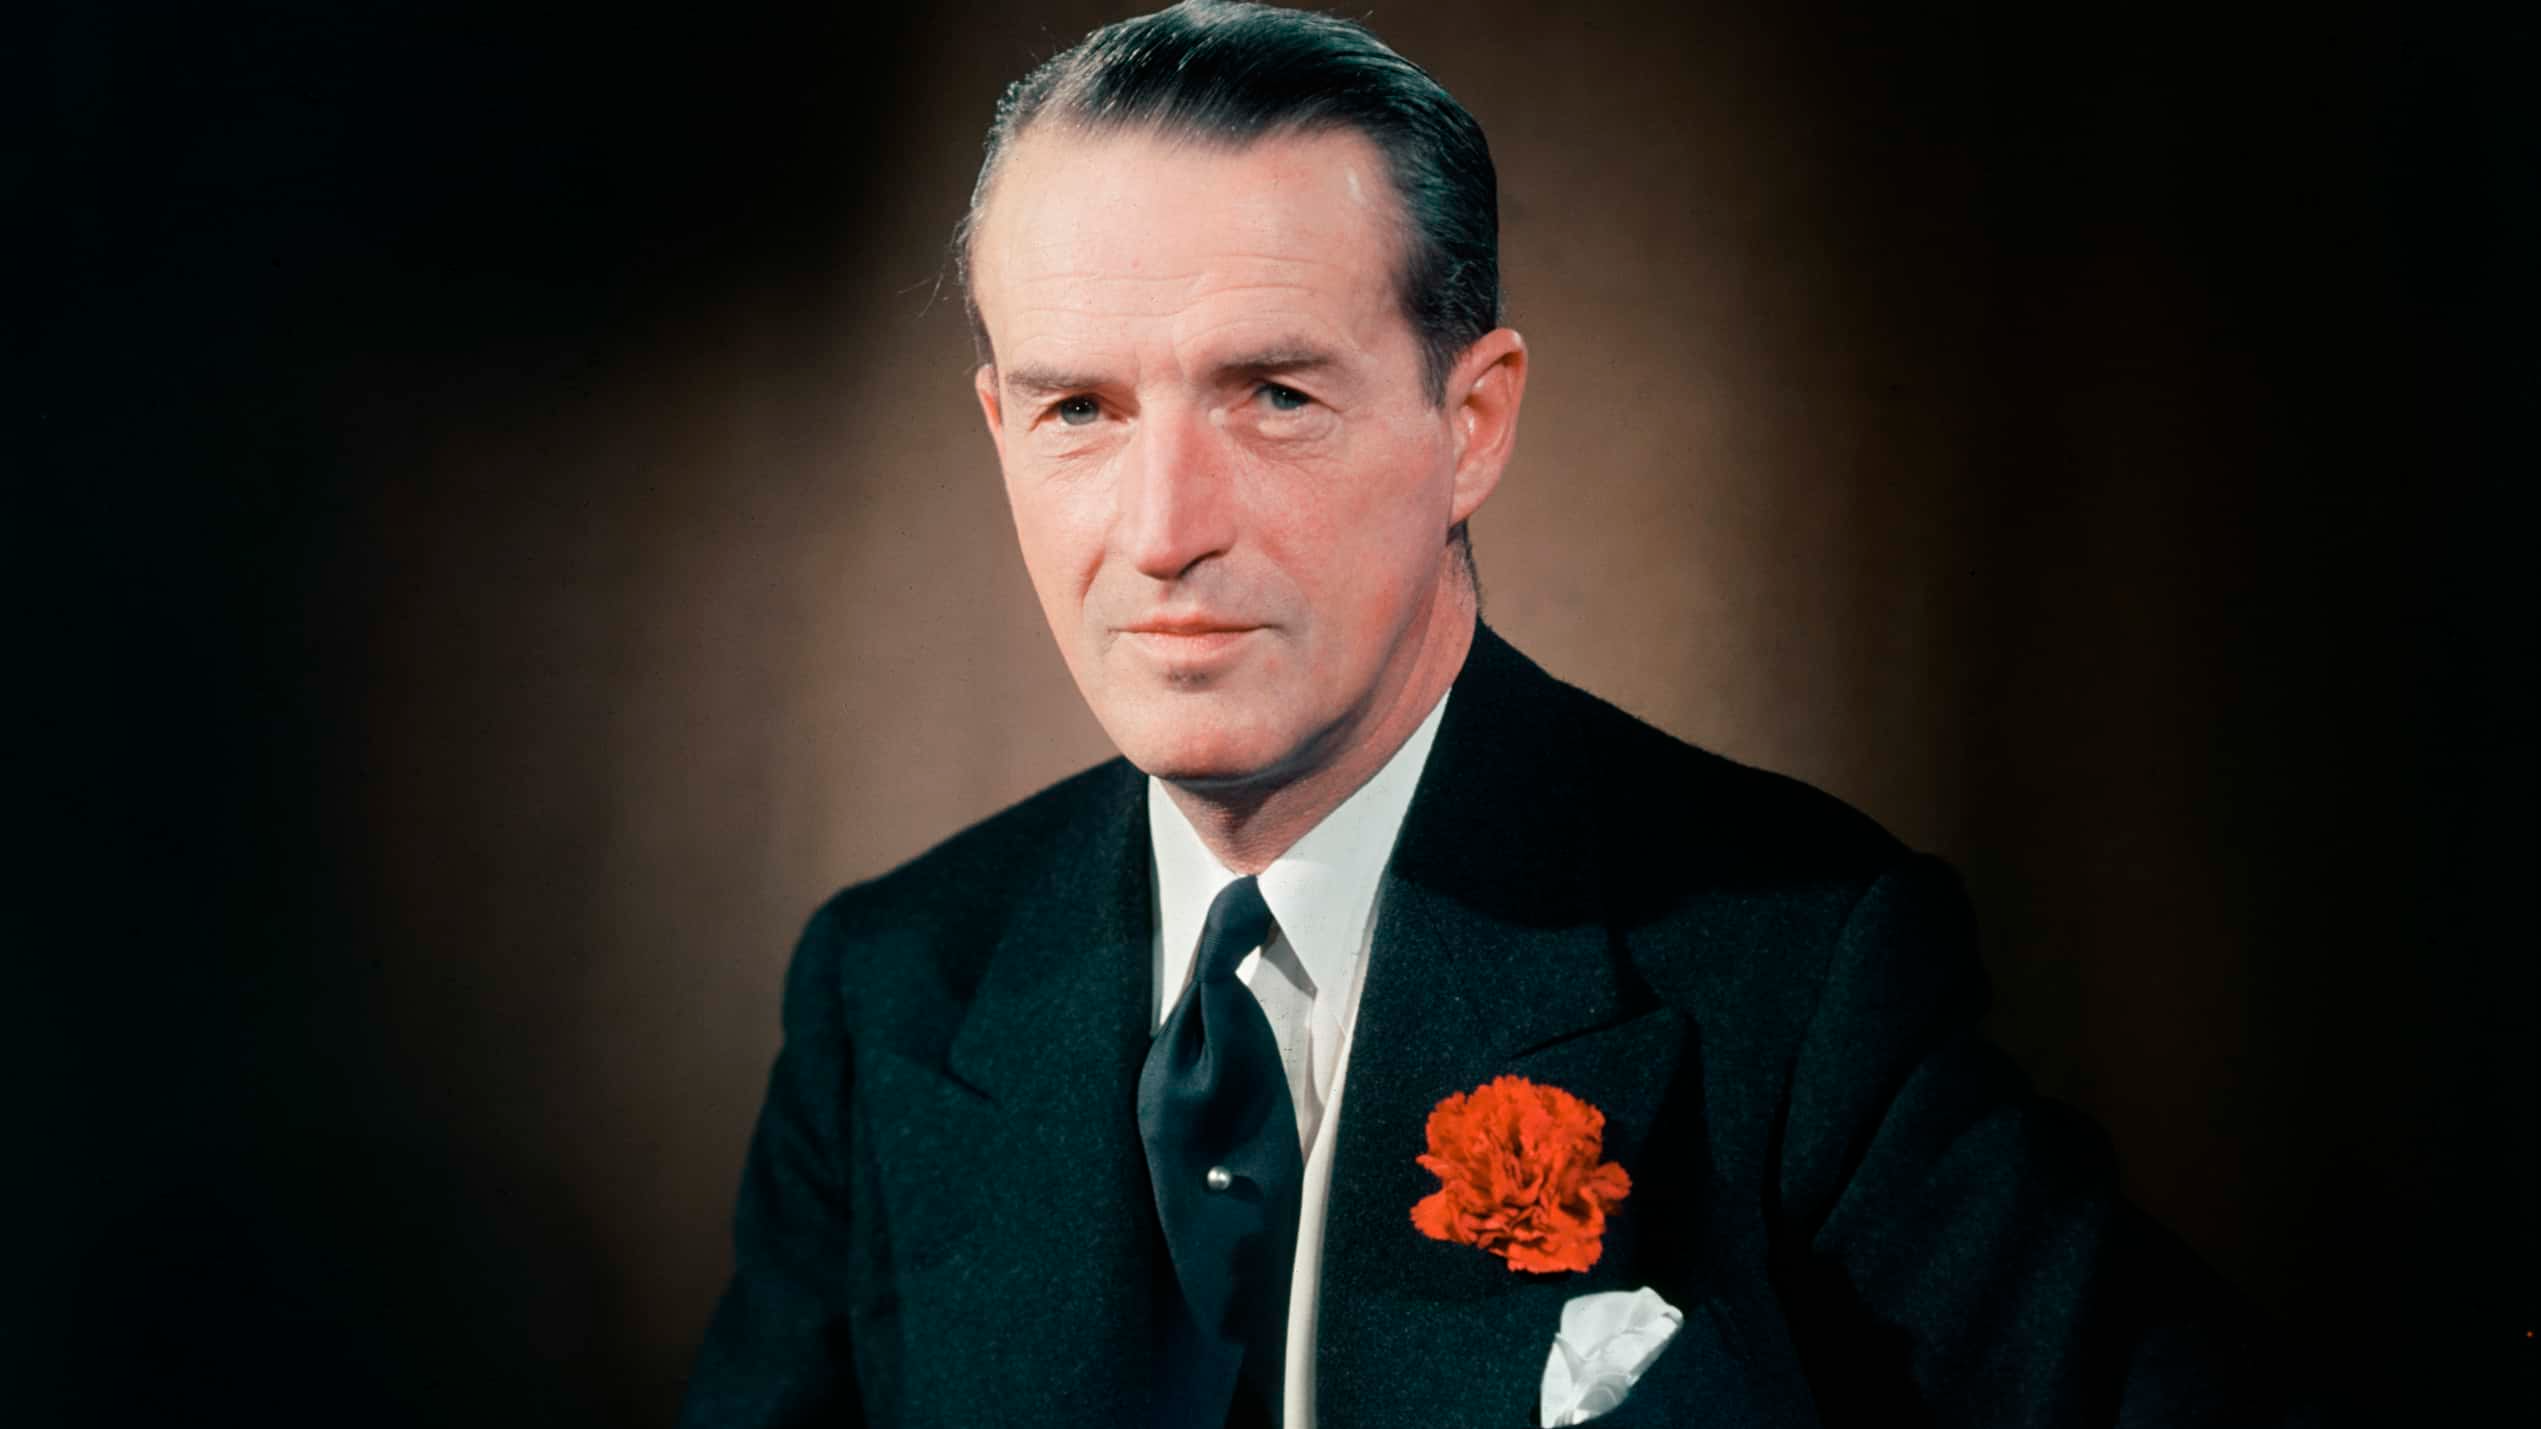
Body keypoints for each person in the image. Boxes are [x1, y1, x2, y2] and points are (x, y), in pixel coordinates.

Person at [680, 4, 2310, 1425]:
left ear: (1473, 423)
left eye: (1277, 395)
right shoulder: (888, 987)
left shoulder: (1806, 983)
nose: (1164, 524)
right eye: (1081, 410)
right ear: (998, 426)